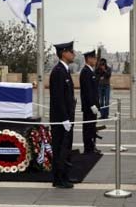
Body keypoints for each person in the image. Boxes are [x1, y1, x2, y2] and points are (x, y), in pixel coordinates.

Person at [49, 41, 76, 189]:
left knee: (66, 148)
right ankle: (58, 179)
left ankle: (64, 174)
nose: (73, 54)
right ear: (64, 53)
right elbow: (58, 98)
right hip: (61, 119)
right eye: (71, 51)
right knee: (60, 148)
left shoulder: (65, 71)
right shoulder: (58, 71)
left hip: (66, 117)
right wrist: (64, 117)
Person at [79, 50, 102, 154]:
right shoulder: (85, 72)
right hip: (89, 107)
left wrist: (97, 105)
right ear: (89, 59)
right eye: (94, 58)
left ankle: (92, 147)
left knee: (92, 128)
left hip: (93, 106)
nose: (96, 60)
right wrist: (92, 105)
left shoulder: (90, 71)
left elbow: (93, 90)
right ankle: (88, 148)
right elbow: (87, 91)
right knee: (88, 128)